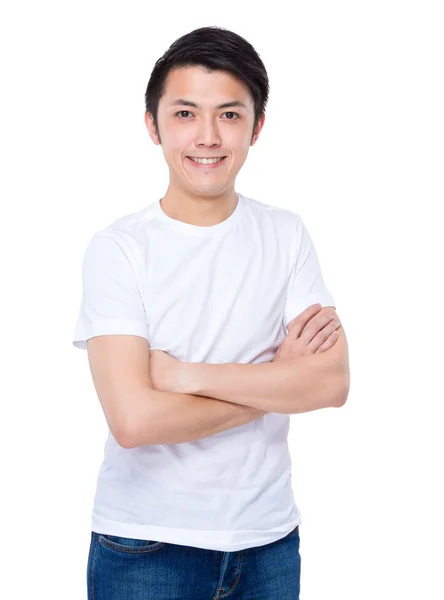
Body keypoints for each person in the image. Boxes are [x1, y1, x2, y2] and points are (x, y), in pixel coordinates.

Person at [73, 25, 350, 600]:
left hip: (269, 542)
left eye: (229, 115)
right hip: (145, 548)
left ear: (257, 128)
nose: (207, 136)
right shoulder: (119, 248)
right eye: (184, 114)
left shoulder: (286, 234)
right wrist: (273, 383)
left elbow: (331, 382)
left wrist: (185, 377)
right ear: (152, 125)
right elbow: (135, 422)